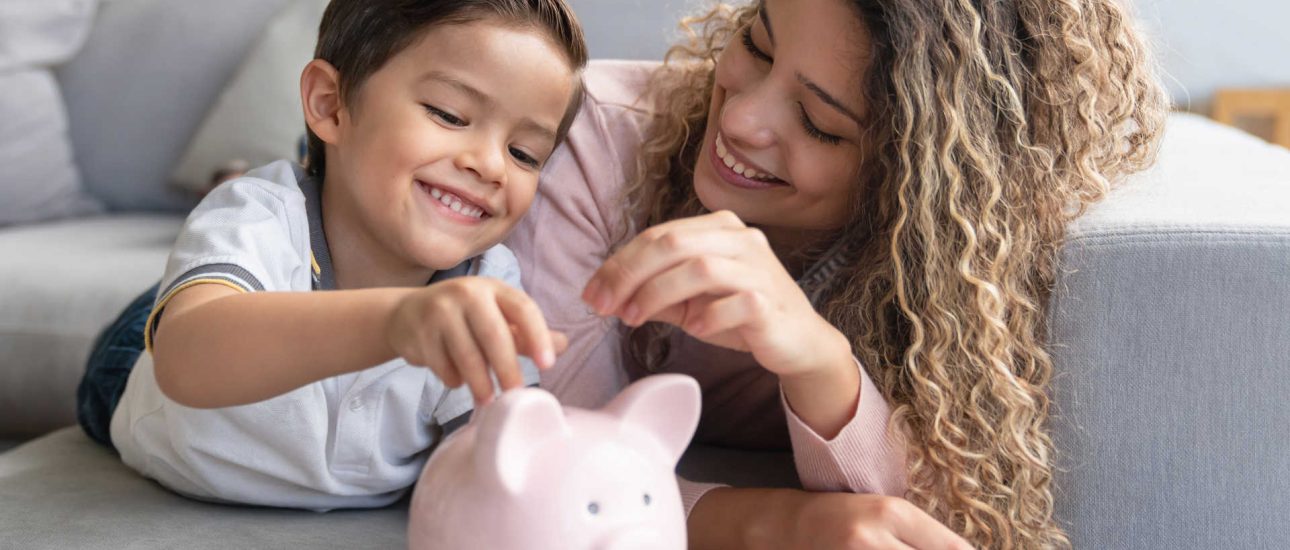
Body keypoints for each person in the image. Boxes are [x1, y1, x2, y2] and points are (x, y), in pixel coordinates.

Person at [504, 0, 1167, 547]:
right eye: (758, 46)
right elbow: (554, 469)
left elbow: (949, 511)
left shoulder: (953, 267)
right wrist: (774, 524)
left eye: (820, 125)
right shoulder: (595, 142)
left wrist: (821, 361)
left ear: (912, 176)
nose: (738, 118)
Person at [75, 0, 587, 510]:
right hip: (149, 364)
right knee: (222, 245)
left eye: (524, 154)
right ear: (329, 104)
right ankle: (232, 190)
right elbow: (185, 358)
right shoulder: (260, 218)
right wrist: (396, 323)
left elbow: (497, 466)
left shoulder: (490, 286)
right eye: (449, 115)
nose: (490, 165)